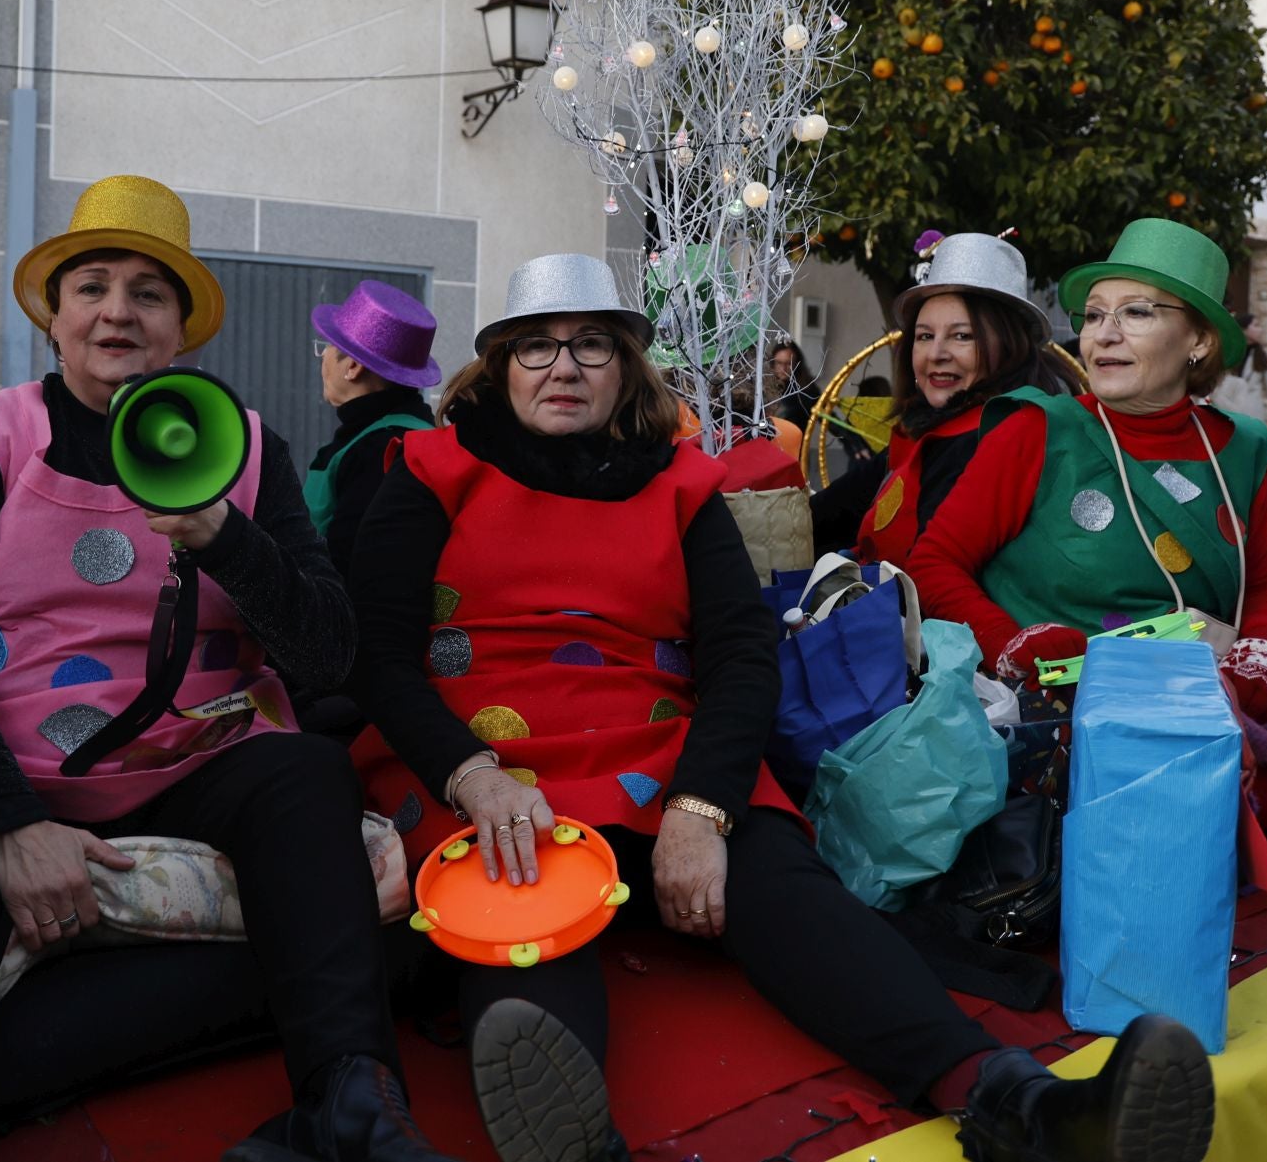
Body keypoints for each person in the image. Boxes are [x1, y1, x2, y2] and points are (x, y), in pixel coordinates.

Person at [346, 251, 1215, 1162]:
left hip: (658, 751)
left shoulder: (679, 487)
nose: (564, 367)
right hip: (488, 763)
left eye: (592, 346)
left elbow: (740, 655)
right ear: (499, 365)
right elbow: (375, 651)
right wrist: (472, 777)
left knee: (786, 886)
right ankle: (578, 1146)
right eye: (536, 348)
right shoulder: (431, 470)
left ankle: (1024, 1107)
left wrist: (701, 807)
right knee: (520, 902)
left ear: (626, 367)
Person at [0, 176, 456, 1162]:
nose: (118, 309)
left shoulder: (249, 448)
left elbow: (328, 652)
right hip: (7, 768)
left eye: (148, 292)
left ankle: (349, 1104)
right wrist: (8, 819)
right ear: (56, 316)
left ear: (180, 331)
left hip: (194, 756)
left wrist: (225, 536)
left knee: (305, 775)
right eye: (93, 285)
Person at [908, 219, 1267, 728]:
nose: (1103, 335)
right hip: (1054, 720)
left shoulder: (1243, 446)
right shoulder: (1036, 430)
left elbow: (1263, 581)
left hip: (1204, 711)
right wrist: (1011, 642)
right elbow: (934, 562)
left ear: (1199, 340)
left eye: (1136, 312)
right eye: (1093, 316)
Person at [810, 234, 1068, 564]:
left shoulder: (1009, 438)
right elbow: (825, 514)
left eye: (962, 336)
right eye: (925, 336)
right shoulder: (920, 435)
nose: (936, 354)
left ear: (1007, 345)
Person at [305, 279, 439, 581]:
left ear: (352, 366)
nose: (323, 357)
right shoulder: (420, 435)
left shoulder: (379, 449)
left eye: (327, 346)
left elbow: (347, 567)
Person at [1209, 313, 1267, 439]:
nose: (1261, 330)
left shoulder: (1259, 357)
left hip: (1252, 416)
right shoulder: (1228, 354)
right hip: (1225, 414)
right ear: (1243, 329)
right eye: (1256, 325)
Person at [765, 337, 816, 431]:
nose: (783, 369)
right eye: (779, 363)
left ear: (796, 364)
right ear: (773, 363)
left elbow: (826, 415)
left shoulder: (807, 390)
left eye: (788, 363)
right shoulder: (765, 387)